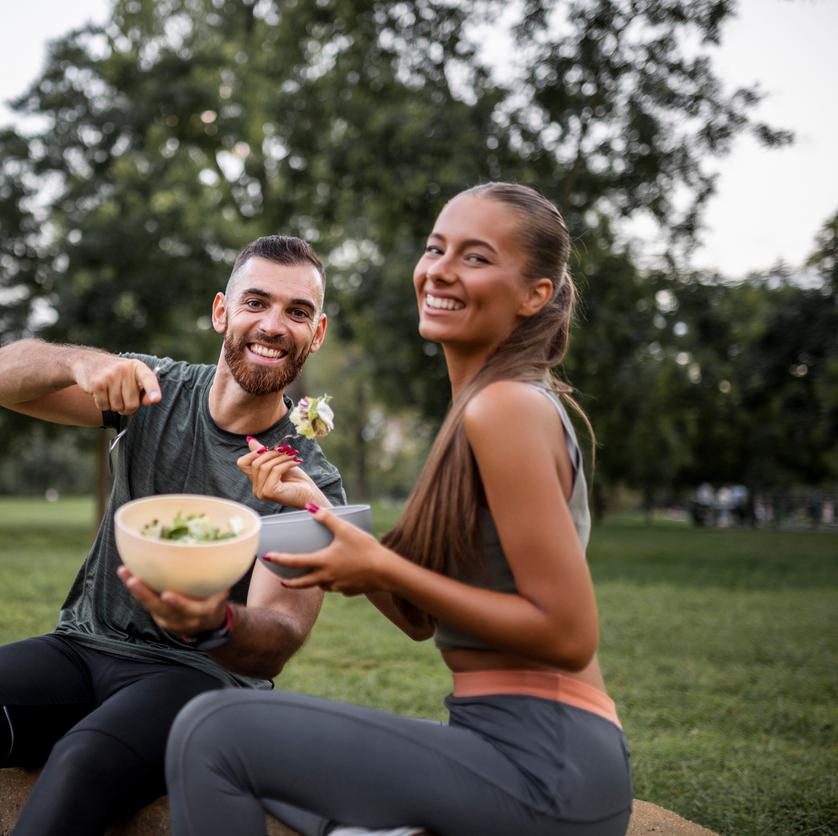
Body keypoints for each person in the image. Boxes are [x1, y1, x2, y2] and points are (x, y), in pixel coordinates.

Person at [165, 184, 634, 836]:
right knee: (293, 777)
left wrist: (382, 566)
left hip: (544, 763)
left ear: (536, 294)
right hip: (511, 744)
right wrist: (317, 506)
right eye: (435, 247)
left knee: (212, 731)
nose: (439, 269)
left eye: (475, 257)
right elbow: (418, 618)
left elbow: (567, 631)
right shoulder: (479, 409)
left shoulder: (507, 407)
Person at [0, 235, 347, 835]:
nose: (274, 324)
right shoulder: (150, 389)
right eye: (255, 302)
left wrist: (209, 623)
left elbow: (279, 635)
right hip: (84, 645)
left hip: (200, 682)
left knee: (82, 758)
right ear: (220, 312)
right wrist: (82, 362)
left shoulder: (304, 478)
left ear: (317, 334)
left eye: (297, 312)